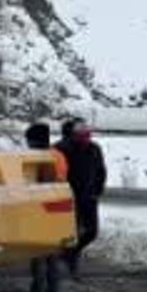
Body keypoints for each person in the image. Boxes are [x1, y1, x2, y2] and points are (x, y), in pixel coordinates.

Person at [56, 117, 106, 277]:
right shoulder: (61, 149)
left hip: (89, 196)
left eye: (87, 130)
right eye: (81, 130)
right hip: (69, 197)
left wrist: (97, 191)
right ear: (73, 133)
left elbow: (101, 172)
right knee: (72, 233)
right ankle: (71, 264)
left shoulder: (94, 149)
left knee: (91, 232)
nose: (85, 133)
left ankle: (68, 254)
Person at [25, 122, 64, 292]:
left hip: (41, 211)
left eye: (29, 141)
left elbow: (34, 186)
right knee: (53, 257)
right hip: (59, 209)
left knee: (39, 256)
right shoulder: (59, 156)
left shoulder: (38, 158)